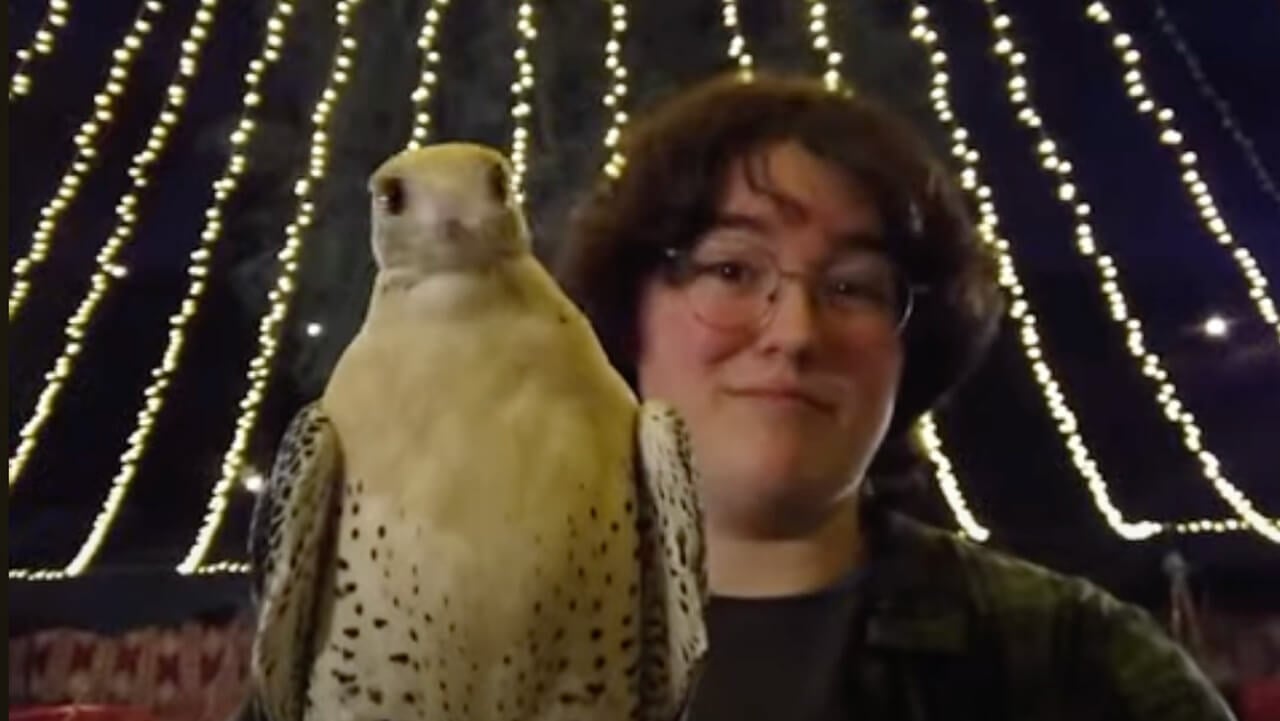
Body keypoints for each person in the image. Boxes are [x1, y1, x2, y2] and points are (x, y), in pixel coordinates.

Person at [555, 71, 1234, 721]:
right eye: (732, 269)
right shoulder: (484, 636)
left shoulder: (1073, 664)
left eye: (852, 286)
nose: (794, 333)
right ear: (630, 311)